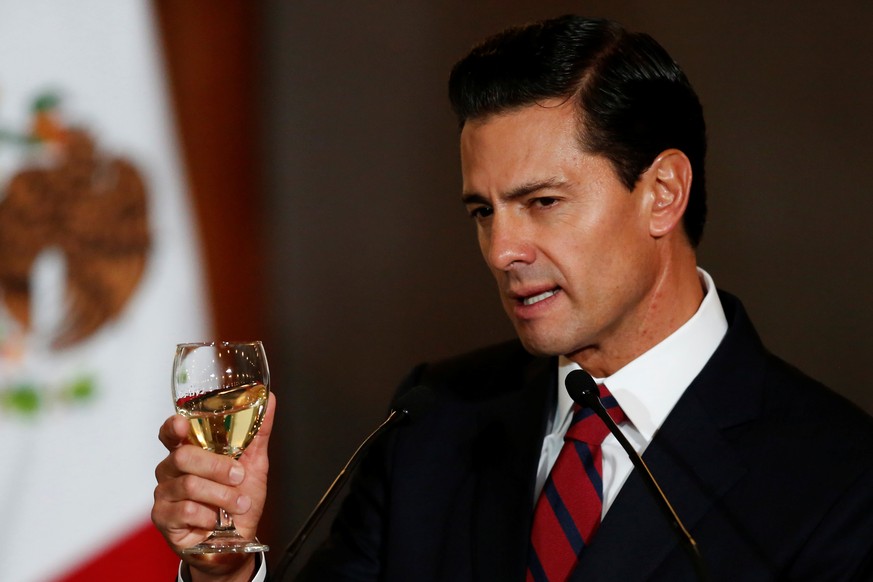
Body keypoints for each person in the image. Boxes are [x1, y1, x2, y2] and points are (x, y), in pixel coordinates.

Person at [152, 15, 873, 581]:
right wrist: (226, 569)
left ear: (661, 194)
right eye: (482, 212)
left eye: (543, 202)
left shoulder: (839, 479)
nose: (502, 251)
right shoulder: (432, 422)